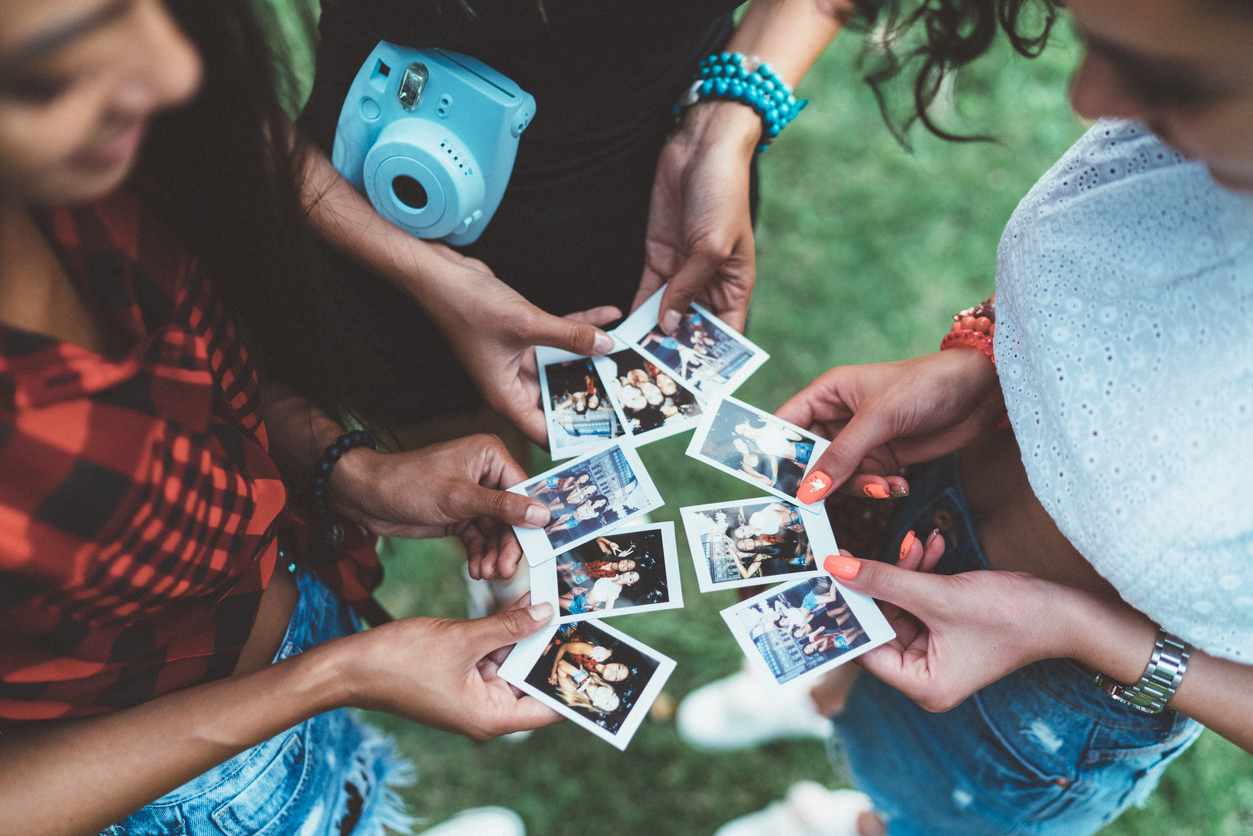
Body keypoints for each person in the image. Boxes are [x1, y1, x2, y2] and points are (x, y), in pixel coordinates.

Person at [0, 2, 565, 834]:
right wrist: (331, 678)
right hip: (179, 794)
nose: (175, 71)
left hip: (290, 619)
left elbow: (186, 387)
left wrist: (348, 471)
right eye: (50, 69)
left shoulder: (85, 169)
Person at [702, 0, 1253, 834]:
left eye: (1174, 80)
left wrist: (1075, 627)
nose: (1087, 96)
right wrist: (982, 359)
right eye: (1096, 43)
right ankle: (823, 688)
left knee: (918, 812)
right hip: (925, 504)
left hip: (1052, 696)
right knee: (849, 652)